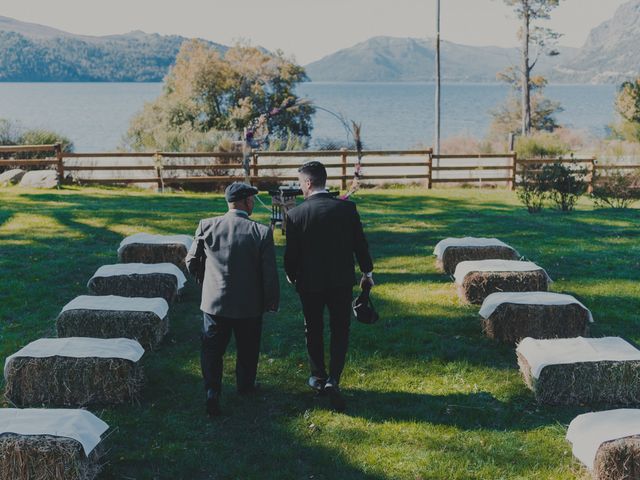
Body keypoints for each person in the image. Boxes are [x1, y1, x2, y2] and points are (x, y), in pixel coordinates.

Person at [284, 161, 374, 412]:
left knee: (312, 327)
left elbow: (292, 256)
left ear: (309, 183)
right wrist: (367, 272)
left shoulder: (295, 215)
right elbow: (360, 245)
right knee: (340, 328)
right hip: (340, 281)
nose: (300, 187)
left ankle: (317, 377)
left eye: (301, 183)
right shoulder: (347, 209)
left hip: (310, 283)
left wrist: (292, 275)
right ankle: (334, 378)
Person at [185, 182, 279, 417]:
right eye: (252, 201)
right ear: (247, 202)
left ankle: (212, 391)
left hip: (214, 302)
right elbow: (269, 273)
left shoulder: (206, 225)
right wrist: (271, 301)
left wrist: (205, 282)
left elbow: (191, 261)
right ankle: (245, 385)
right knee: (248, 348)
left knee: (211, 349)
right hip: (249, 305)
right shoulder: (261, 232)